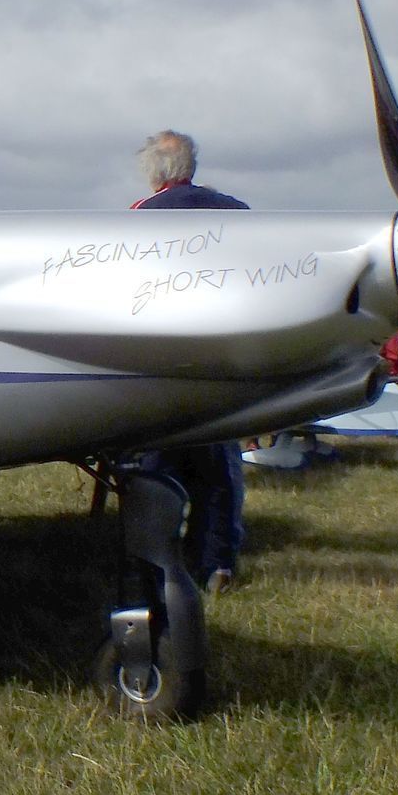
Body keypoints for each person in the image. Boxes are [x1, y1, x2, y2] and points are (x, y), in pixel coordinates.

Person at [132, 130, 247, 592]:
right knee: (219, 468)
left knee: (157, 465)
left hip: (160, 358)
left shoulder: (139, 218)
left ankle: (154, 560)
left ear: (155, 171)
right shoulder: (235, 212)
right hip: (221, 356)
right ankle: (217, 564)